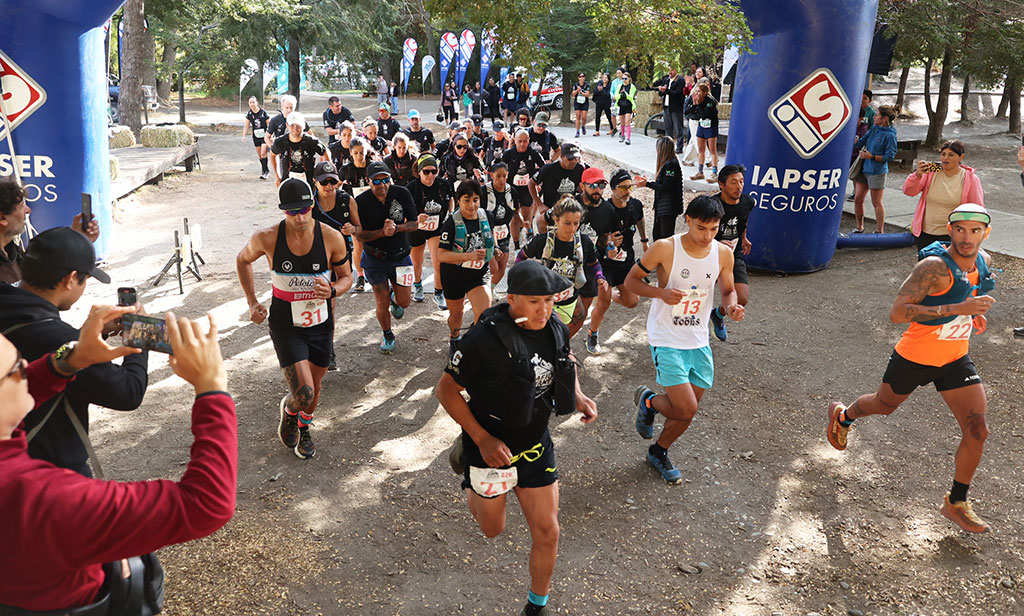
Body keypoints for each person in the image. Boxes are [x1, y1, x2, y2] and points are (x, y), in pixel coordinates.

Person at [0, 306, 236, 613]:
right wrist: (212, 388)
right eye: (19, 367)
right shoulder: (45, 498)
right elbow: (207, 504)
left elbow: (20, 396)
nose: (28, 367)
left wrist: (72, 357)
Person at [436, 259, 597, 616]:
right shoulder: (482, 339)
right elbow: (445, 391)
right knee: (493, 529)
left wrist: (580, 396)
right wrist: (480, 439)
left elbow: (562, 358)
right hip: (489, 443)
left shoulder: (553, 325)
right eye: (535, 302)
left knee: (548, 531)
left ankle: (536, 605)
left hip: (534, 441)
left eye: (550, 301)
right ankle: (467, 470)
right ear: (512, 299)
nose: (544, 309)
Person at [827, 203, 996, 533]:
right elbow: (898, 313)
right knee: (883, 405)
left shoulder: (984, 261)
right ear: (950, 229)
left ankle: (956, 501)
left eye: (975, 231)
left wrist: (972, 314)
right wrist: (957, 308)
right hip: (916, 355)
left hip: (954, 357)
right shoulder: (933, 267)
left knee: (978, 430)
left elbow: (969, 296)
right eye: (960, 229)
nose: (967, 237)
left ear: (985, 233)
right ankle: (843, 416)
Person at [0, 227, 148, 476]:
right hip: (47, 475)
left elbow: (57, 355)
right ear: (70, 280)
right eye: (85, 279)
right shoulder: (54, 336)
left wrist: (90, 335)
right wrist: (138, 338)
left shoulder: (10, 307)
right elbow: (128, 392)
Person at [624, 195, 745, 483]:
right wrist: (660, 293)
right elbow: (631, 282)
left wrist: (730, 306)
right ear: (688, 220)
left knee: (686, 413)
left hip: (697, 337)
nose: (707, 236)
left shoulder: (722, 253)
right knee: (686, 407)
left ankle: (658, 450)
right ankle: (650, 402)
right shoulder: (665, 248)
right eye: (702, 228)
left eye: (713, 229)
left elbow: (728, 289)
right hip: (665, 335)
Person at [236, 178, 353, 458]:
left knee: (316, 386)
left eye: (304, 210)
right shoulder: (267, 237)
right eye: (291, 212)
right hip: (286, 324)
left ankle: (304, 425)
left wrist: (334, 289)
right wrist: (252, 302)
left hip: (320, 323)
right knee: (304, 393)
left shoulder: (331, 237)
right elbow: (243, 260)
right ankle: (290, 410)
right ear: (282, 211)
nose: (299, 217)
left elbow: (349, 276)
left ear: (312, 204)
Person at [355, 161, 425, 353]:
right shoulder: (361, 202)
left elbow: (414, 224)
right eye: (376, 181)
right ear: (368, 182)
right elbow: (360, 236)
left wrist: (395, 230)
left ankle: (396, 298)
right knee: (381, 300)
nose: (382, 185)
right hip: (374, 258)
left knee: (404, 302)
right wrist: (382, 233)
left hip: (400, 255)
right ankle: (387, 334)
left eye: (386, 180)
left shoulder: (402, 194)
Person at [517, 196, 603, 337]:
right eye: (567, 223)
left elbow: (594, 263)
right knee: (548, 331)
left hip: (569, 299)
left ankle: (560, 347)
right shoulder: (542, 241)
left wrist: (600, 277)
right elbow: (521, 257)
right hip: (544, 299)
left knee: (579, 316)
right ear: (556, 220)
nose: (573, 228)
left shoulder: (584, 242)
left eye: (576, 223)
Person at [584, 168, 646, 355]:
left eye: (630, 187)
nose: (628, 191)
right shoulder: (604, 210)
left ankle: (608, 293)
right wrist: (608, 244)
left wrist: (644, 241)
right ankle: (593, 334)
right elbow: (596, 239)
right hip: (606, 263)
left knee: (632, 302)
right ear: (612, 189)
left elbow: (640, 220)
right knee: (603, 304)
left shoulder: (635, 205)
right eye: (623, 187)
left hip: (626, 262)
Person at [436, 179, 500, 355]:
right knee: (457, 315)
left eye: (475, 200)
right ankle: (454, 338)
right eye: (466, 200)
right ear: (458, 201)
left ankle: (472, 342)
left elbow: (490, 234)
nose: (471, 205)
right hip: (453, 275)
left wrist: (495, 249)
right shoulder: (450, 224)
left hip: (478, 274)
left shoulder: (487, 216)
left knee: (484, 312)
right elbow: (441, 255)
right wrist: (468, 256)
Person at [311, 161, 360, 370]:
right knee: (316, 303)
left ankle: (327, 349)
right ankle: (316, 346)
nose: (329, 186)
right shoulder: (310, 203)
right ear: (315, 182)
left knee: (329, 303)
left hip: (339, 261)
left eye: (333, 182)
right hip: (315, 259)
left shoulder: (346, 200)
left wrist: (352, 229)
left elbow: (360, 228)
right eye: (324, 182)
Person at [903, 139, 985, 251]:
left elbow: (977, 209)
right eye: (943, 154)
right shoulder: (930, 173)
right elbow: (909, 191)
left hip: (953, 235)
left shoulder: (970, 179)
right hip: (926, 232)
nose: (946, 158)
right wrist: (917, 175)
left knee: (948, 267)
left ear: (961, 157)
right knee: (926, 266)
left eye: (951, 155)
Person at [708, 164, 755, 342]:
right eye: (734, 182)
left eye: (741, 182)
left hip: (733, 255)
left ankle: (718, 315)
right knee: (697, 293)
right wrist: (716, 243)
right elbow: (699, 232)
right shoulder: (712, 205)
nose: (739, 186)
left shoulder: (748, 202)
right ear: (721, 184)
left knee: (741, 298)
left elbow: (743, 221)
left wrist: (744, 238)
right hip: (709, 254)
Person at [409, 153, 454, 310]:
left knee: (438, 261)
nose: (430, 175)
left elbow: (451, 199)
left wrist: (451, 214)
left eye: (434, 171)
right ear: (419, 171)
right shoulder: (412, 187)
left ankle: (438, 293)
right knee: (417, 262)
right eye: (426, 171)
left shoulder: (443, 184)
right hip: (416, 229)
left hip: (437, 227)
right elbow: (404, 210)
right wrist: (415, 217)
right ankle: (418, 285)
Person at [850, 105, 898, 234]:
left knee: (876, 202)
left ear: (884, 118)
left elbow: (890, 156)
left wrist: (872, 156)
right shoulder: (874, 128)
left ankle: (879, 231)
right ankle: (860, 227)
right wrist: (854, 141)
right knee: (858, 199)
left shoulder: (890, 135)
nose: (874, 117)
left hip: (877, 172)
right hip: (864, 169)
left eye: (876, 115)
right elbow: (862, 141)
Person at [503, 129, 547, 249]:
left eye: (525, 141)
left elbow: (545, 168)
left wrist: (538, 181)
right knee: (515, 218)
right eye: (520, 141)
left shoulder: (533, 153)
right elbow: (499, 167)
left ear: (529, 141)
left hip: (527, 189)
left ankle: (528, 244)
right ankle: (517, 246)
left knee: (527, 219)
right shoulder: (509, 153)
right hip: (512, 189)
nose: (522, 144)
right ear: (515, 141)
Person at [339, 137, 373, 291]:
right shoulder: (346, 170)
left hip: (373, 209)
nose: (359, 156)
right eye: (356, 153)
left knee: (373, 242)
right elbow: (335, 185)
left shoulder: (373, 167)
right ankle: (360, 276)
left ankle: (375, 271)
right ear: (350, 153)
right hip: (354, 211)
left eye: (362, 152)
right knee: (358, 243)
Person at [529, 142, 584, 234]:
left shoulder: (579, 169)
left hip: (569, 211)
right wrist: (539, 204)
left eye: (576, 158)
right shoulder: (548, 169)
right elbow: (531, 183)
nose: (574, 161)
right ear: (561, 156)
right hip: (551, 211)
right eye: (570, 158)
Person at [636, 136, 684, 240]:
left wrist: (647, 184)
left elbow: (665, 187)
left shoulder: (671, 165)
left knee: (665, 239)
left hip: (668, 208)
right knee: (657, 236)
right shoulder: (669, 163)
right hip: (663, 207)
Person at [481, 162, 517, 288]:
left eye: (504, 176)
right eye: (498, 176)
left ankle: (490, 289)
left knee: (502, 266)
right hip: (486, 232)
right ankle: (479, 288)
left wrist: (524, 222)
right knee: (492, 266)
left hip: (503, 232)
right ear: (491, 176)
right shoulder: (484, 191)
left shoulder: (512, 191)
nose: (501, 180)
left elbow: (515, 210)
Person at [270, 112, 327, 187]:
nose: (295, 129)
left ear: (303, 126)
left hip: (309, 181)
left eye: (298, 126)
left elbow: (325, 152)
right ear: (287, 125)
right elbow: (272, 155)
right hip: (287, 180)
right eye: (292, 125)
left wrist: (321, 174)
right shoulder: (280, 142)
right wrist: (277, 176)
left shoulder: (311, 141)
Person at [685, 82, 719, 182]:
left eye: (699, 91)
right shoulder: (696, 100)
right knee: (701, 150)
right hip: (702, 126)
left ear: (704, 93)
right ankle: (700, 172)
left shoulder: (710, 101)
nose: (697, 93)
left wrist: (698, 105)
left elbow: (705, 115)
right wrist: (694, 105)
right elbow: (687, 111)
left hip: (711, 126)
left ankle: (714, 172)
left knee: (712, 150)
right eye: (696, 91)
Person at [657, 67, 685, 152]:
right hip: (666, 106)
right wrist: (661, 90)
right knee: (668, 128)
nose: (670, 72)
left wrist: (667, 90)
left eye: (672, 70)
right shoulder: (666, 79)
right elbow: (661, 93)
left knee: (678, 128)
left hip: (676, 108)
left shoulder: (680, 80)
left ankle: (679, 147)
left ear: (676, 70)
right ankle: (669, 146)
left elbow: (679, 94)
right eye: (668, 70)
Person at [243, 96, 271, 179]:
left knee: (263, 153)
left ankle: (265, 172)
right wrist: (244, 136)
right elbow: (246, 126)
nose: (252, 104)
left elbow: (269, 124)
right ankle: (265, 170)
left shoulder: (263, 113)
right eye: (250, 103)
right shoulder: (249, 114)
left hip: (264, 136)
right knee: (260, 155)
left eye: (253, 102)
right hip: (256, 137)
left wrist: (271, 135)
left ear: (257, 103)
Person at [615, 72, 638, 145]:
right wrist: (621, 94)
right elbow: (616, 96)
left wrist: (625, 93)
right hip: (621, 105)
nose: (624, 80)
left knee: (627, 121)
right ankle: (622, 135)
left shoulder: (632, 87)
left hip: (628, 105)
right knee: (622, 122)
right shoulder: (619, 86)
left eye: (625, 78)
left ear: (629, 79)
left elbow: (631, 97)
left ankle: (628, 138)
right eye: (623, 78)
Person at [571, 72, 591, 138]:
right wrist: (577, 90)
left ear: (584, 78)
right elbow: (573, 94)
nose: (581, 78)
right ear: (578, 78)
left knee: (584, 117)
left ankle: (583, 126)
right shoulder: (576, 84)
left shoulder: (587, 85)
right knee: (578, 116)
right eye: (580, 76)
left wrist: (582, 92)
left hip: (585, 102)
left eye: (583, 76)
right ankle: (577, 131)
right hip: (577, 102)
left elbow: (587, 94)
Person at [609, 67, 624, 137]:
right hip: (614, 100)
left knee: (621, 115)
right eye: (617, 73)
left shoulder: (624, 81)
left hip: (621, 99)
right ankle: (614, 128)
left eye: (619, 73)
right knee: (613, 115)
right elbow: (611, 91)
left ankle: (622, 130)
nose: (618, 74)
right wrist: (612, 96)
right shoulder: (614, 81)